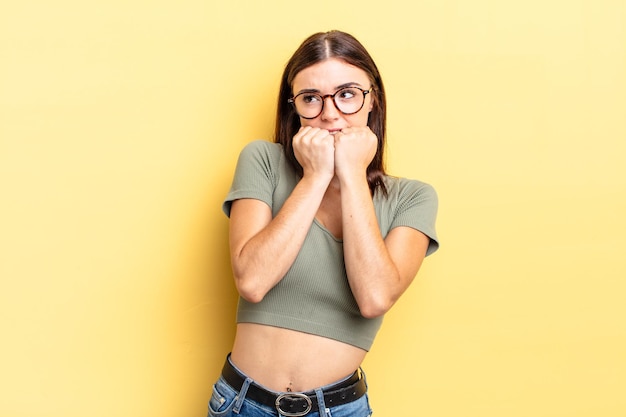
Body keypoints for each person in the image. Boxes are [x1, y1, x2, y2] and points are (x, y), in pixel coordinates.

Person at [208, 30, 439, 417]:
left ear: (373, 99)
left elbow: (375, 298)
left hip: (339, 409)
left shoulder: (412, 198)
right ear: (293, 107)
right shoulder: (263, 161)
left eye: (347, 94)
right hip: (241, 404)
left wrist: (351, 174)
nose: (330, 113)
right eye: (311, 99)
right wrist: (315, 177)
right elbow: (252, 281)